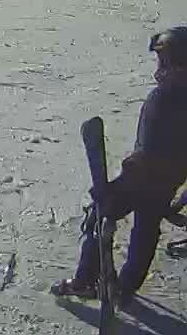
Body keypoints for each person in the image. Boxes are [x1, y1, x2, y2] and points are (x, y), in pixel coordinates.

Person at [53, 27, 187, 300]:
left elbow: (147, 156)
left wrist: (110, 189)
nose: (160, 70)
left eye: (166, 62)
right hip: (165, 186)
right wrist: (180, 199)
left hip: (142, 181)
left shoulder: (161, 99)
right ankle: (125, 286)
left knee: (100, 215)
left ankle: (86, 281)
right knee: (146, 233)